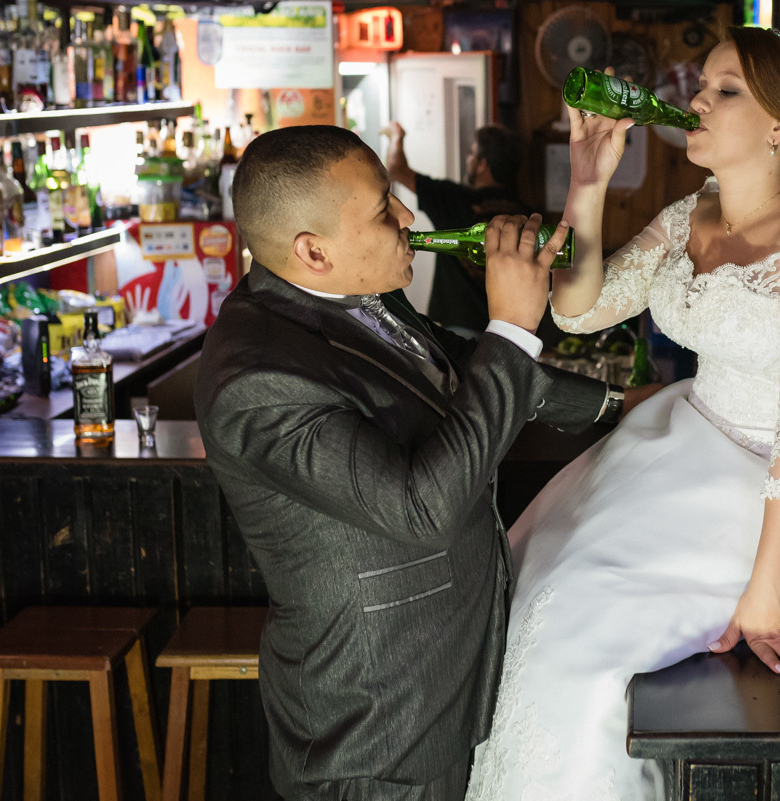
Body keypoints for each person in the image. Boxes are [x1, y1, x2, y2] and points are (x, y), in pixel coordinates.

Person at [465, 26, 780, 800]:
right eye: (702, 84)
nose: (697, 101)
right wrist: (588, 183)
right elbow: (580, 310)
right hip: (692, 435)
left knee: (585, 624)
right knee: (535, 576)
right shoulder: (694, 211)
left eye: (726, 91)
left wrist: (768, 593)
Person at [193, 125, 655, 801]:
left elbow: (465, 373)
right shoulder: (257, 379)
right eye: (384, 208)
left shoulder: (356, 292)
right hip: (380, 720)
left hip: (446, 669)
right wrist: (511, 328)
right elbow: (421, 508)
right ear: (313, 250)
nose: (408, 217)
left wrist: (620, 404)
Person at [387, 123, 526, 336]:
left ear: (482, 164)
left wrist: (397, 136)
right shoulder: (527, 215)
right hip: (510, 329)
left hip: (458, 329)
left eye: (472, 153)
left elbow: (396, 169)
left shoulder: (454, 199)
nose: (468, 159)